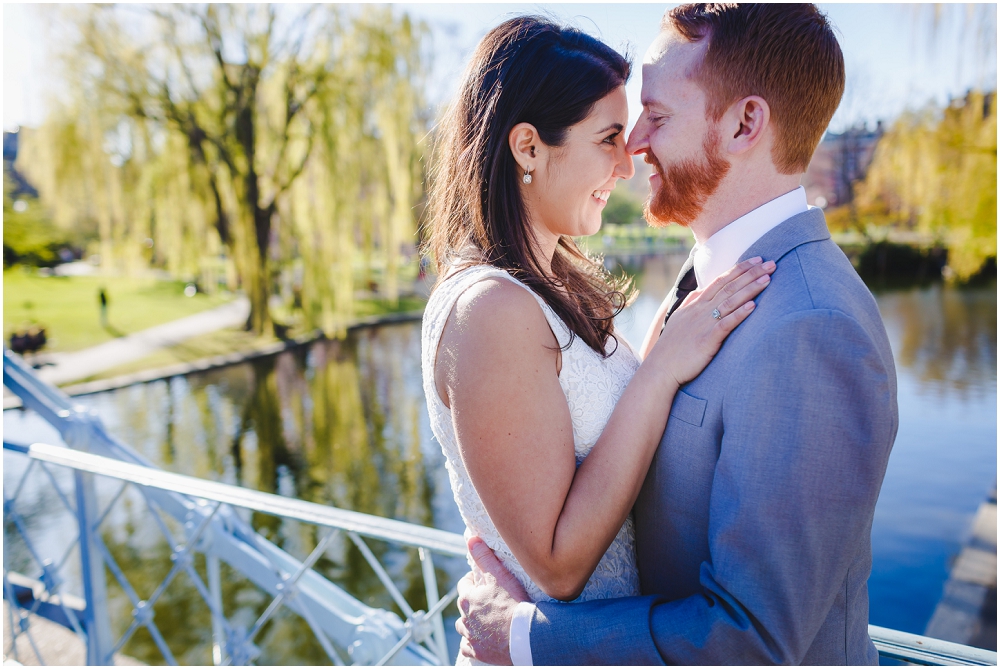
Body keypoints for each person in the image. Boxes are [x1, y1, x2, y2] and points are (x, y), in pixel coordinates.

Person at [455, 4, 899, 665]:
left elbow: (750, 641)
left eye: (657, 117)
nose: (633, 143)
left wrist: (524, 635)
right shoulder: (707, 282)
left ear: (746, 123)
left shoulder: (813, 327)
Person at [420, 15, 775, 665]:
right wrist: (660, 369)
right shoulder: (492, 308)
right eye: (608, 137)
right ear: (527, 147)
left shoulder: (544, 283)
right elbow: (559, 566)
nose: (628, 159)